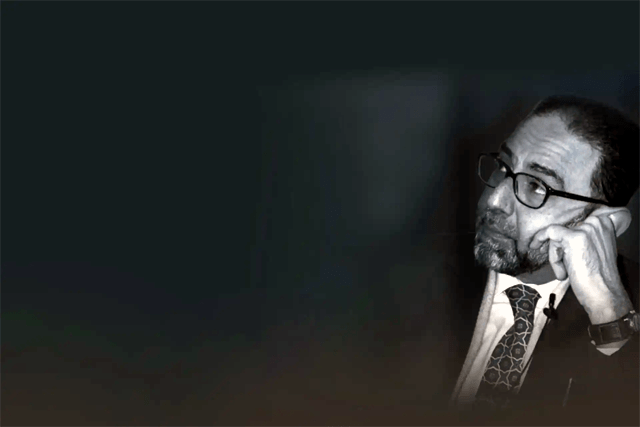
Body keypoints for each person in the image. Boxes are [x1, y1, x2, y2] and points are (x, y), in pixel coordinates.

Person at [449, 96, 639, 426]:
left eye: (537, 187)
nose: (494, 201)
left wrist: (610, 316)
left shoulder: (626, 310)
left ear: (606, 223)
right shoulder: (412, 274)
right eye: (503, 167)